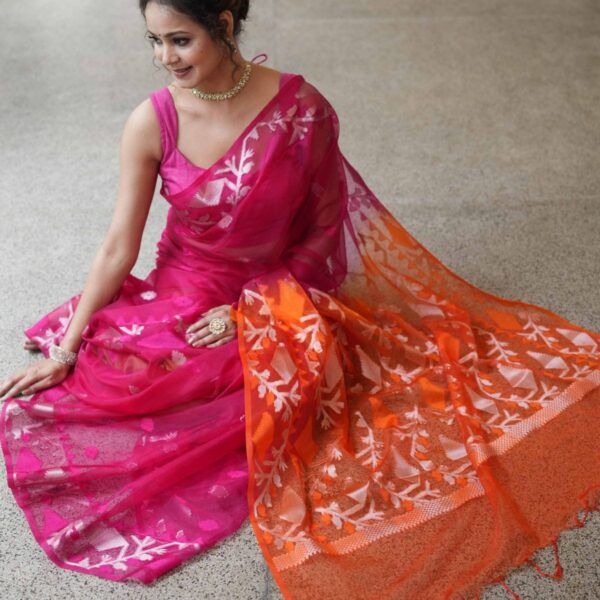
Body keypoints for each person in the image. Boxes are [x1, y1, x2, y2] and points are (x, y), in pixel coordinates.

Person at [1, 1, 599, 599]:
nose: (164, 58)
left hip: (278, 289)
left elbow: (323, 229)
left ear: (225, 24)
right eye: (153, 41)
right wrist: (66, 351)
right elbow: (117, 247)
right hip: (185, 289)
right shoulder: (152, 121)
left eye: (179, 40)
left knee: (272, 388)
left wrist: (254, 311)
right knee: (130, 376)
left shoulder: (301, 110)